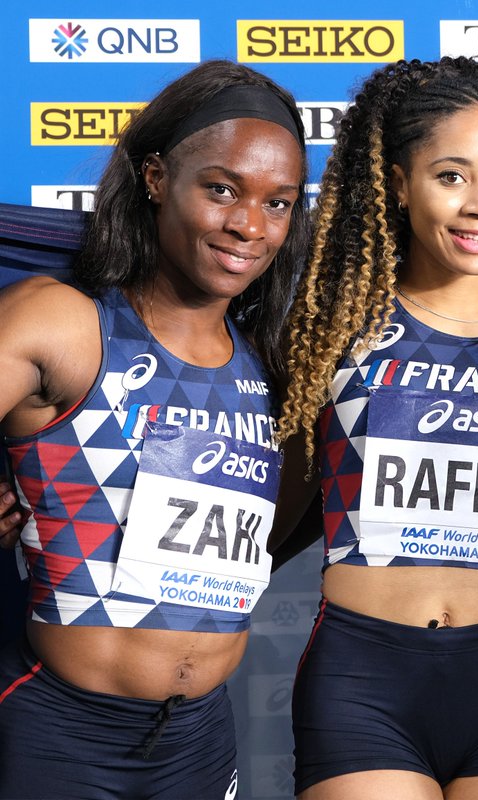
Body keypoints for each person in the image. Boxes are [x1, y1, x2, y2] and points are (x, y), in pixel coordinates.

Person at [272, 56, 478, 800]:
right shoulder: (332, 330)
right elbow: (269, 508)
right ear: (396, 182)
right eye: (452, 176)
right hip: (364, 676)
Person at [0, 60, 309, 798]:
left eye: (279, 203)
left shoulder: (274, 365)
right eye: (222, 189)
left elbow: (275, 536)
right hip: (60, 730)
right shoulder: (66, 323)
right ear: (155, 177)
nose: (248, 225)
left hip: (200, 737)